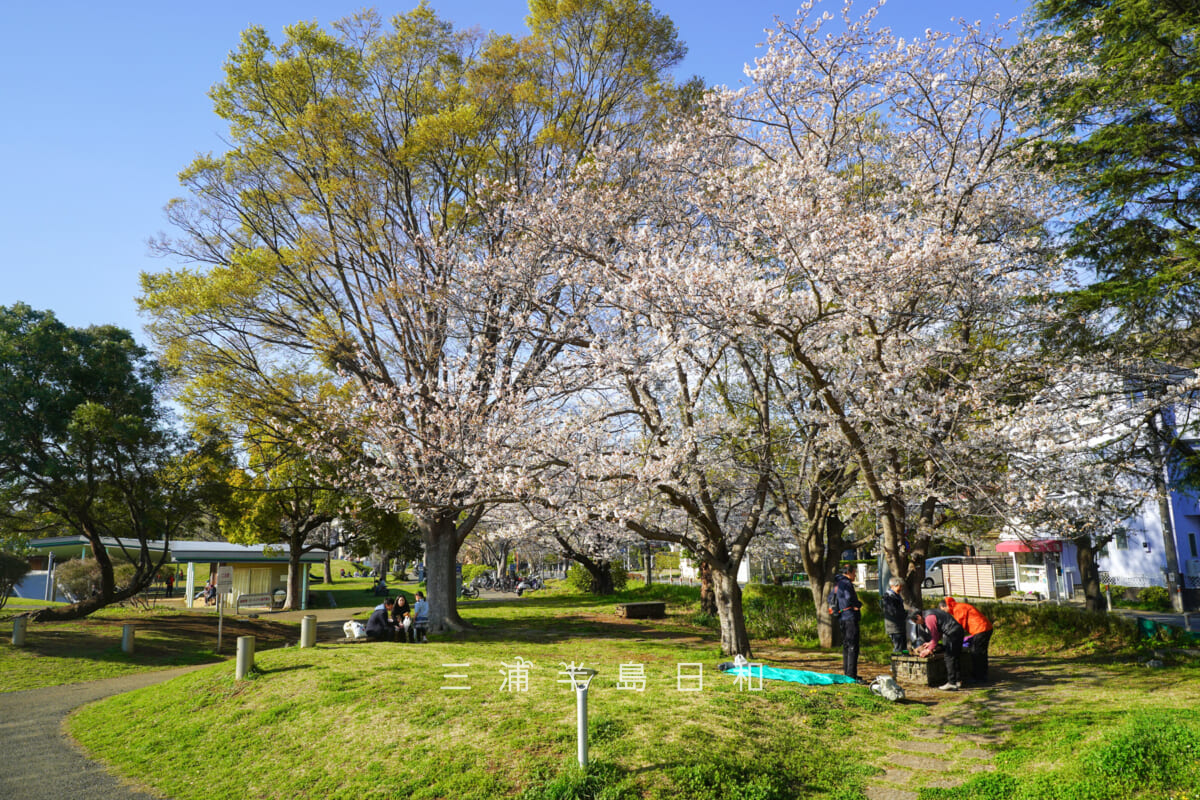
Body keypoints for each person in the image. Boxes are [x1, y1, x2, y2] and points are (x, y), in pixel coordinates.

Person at [911, 607, 965, 691]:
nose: (917, 623)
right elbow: (938, 633)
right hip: (957, 631)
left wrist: (928, 650)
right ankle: (958, 680)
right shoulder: (931, 612)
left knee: (949, 657)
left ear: (918, 616)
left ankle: (951, 683)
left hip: (951, 633)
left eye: (916, 621)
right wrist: (930, 643)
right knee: (955, 656)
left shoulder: (928, 618)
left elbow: (935, 636)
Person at [942, 597, 994, 683]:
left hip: (980, 629)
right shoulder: (961, 606)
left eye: (943, 609)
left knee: (976, 653)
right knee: (982, 653)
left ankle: (979, 677)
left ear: (945, 606)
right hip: (985, 627)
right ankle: (983, 675)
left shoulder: (958, 609)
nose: (944, 612)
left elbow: (958, 626)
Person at [827, 563, 863, 681]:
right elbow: (848, 598)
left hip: (841, 618)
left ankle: (848, 672)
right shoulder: (846, 584)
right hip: (850, 617)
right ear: (849, 572)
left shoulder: (837, 584)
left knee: (846, 646)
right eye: (854, 573)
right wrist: (857, 604)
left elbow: (830, 598)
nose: (855, 575)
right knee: (853, 646)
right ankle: (851, 675)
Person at [880, 577, 907, 653]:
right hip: (894, 627)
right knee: (898, 648)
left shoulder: (896, 595)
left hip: (900, 626)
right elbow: (893, 612)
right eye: (899, 587)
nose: (901, 589)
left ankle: (904, 661)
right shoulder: (888, 597)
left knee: (904, 648)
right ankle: (895, 663)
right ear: (893, 586)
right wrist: (906, 614)